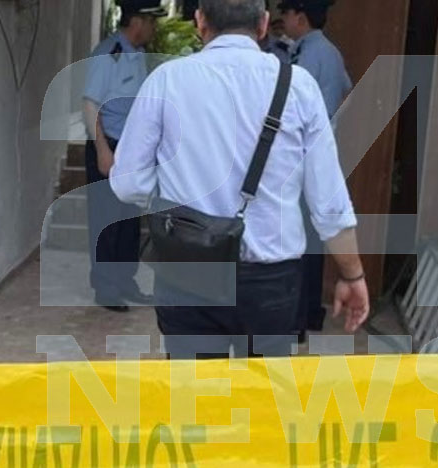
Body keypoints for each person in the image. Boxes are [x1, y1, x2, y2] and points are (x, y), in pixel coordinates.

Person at [109, 0, 369, 358]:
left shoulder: (167, 80)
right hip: (270, 280)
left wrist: (174, 196)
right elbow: (329, 203)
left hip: (187, 270)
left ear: (200, 23)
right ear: (263, 25)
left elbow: (127, 184)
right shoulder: (298, 86)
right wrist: (352, 275)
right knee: (263, 391)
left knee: (194, 390)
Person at [82, 0, 166, 312]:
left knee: (128, 220)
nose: (154, 28)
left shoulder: (137, 54)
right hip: (109, 145)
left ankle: (125, 281)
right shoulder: (109, 54)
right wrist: (103, 150)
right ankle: (105, 287)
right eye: (151, 22)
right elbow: (90, 105)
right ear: (137, 22)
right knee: (106, 219)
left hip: (131, 149)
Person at [279, 0, 352, 335]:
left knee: (299, 243)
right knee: (311, 239)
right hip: (316, 155)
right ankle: (308, 313)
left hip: (303, 157)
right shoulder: (329, 52)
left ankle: (297, 319)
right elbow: (347, 89)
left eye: (286, 14)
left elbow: (291, 106)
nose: (283, 20)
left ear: (300, 17)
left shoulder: (309, 56)